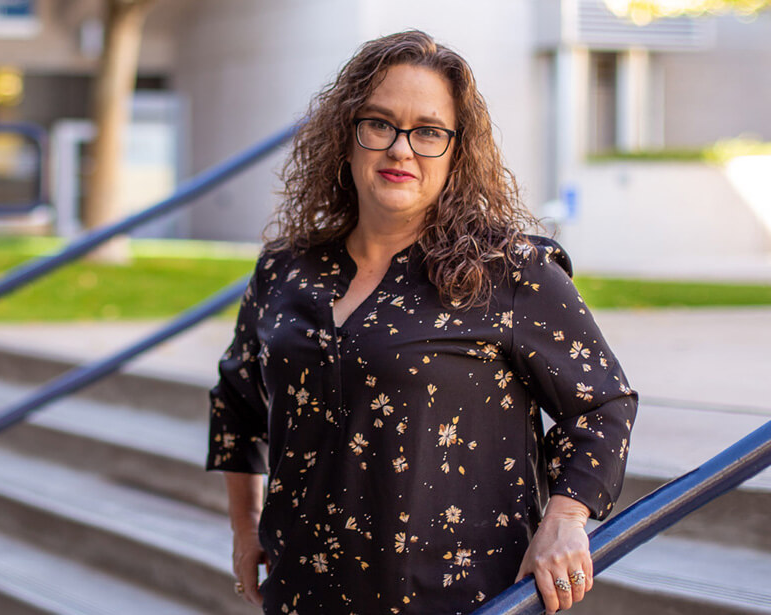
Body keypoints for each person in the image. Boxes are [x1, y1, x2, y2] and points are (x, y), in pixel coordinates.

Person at [206, 30, 637, 614]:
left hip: (459, 598)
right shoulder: (285, 270)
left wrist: (566, 519)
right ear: (347, 136)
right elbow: (237, 399)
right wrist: (244, 527)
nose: (400, 149)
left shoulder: (510, 272)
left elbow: (602, 404)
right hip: (301, 594)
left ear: (457, 150)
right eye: (379, 123)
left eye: (429, 132)